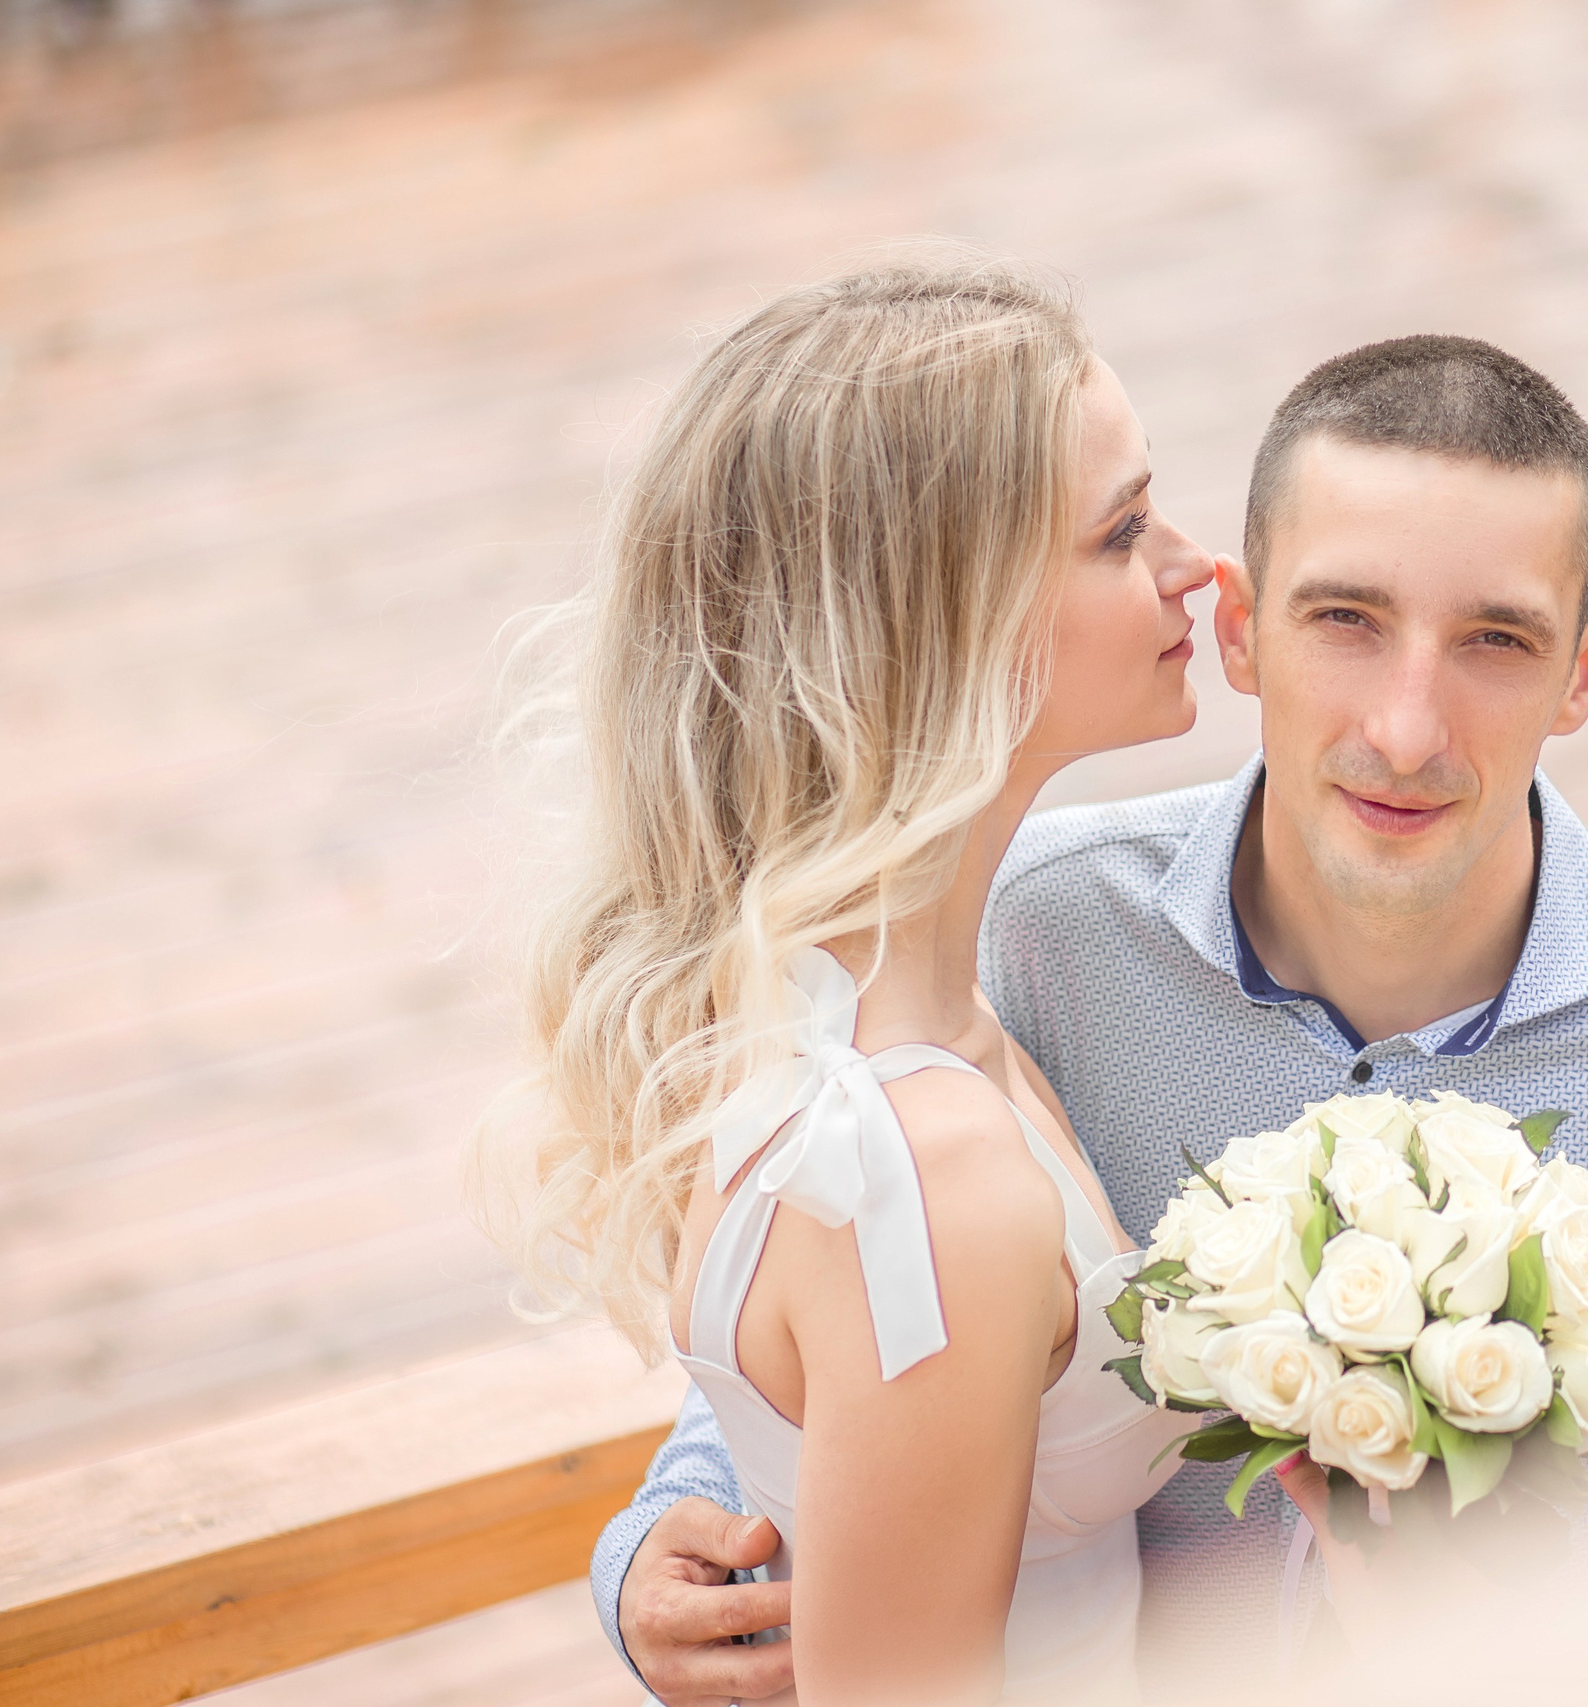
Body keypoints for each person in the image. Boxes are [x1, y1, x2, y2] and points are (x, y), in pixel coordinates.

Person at [594, 332, 1588, 1704]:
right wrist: (655, 1540)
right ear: (1235, 627)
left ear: (1586, 669)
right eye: (1344, 620)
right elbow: (862, 1304)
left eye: (1496, 643)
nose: (1406, 730)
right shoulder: (1029, 933)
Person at [487, 251, 1220, 1705]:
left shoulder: (841, 998)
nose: (1195, 563)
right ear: (949, 618)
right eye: (1125, 529)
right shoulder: (921, 1178)